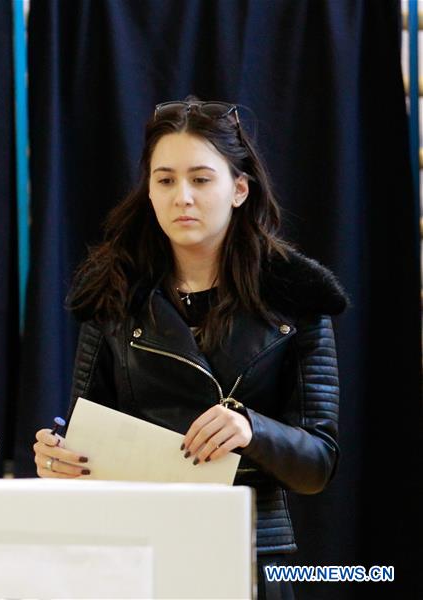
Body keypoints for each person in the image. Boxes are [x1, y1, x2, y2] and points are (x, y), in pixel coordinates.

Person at [32, 99, 346, 599]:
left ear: (239, 189)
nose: (182, 197)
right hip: (139, 554)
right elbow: (87, 432)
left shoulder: (297, 296)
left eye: (201, 179)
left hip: (249, 553)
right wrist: (59, 458)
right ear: (149, 191)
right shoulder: (112, 295)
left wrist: (252, 429)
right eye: (165, 180)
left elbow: (317, 465)